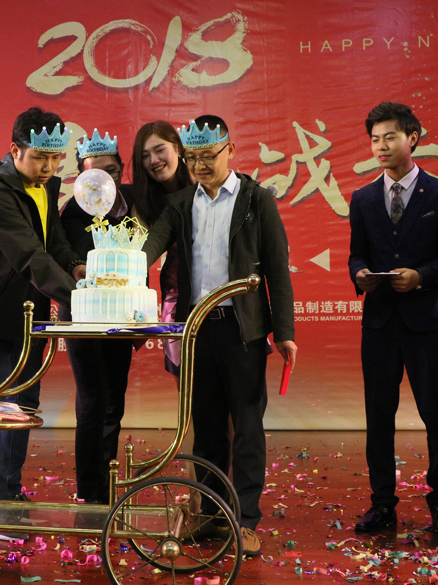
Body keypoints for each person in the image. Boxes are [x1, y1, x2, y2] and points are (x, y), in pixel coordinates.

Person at [142, 115, 297, 557]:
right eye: (192, 158)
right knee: (207, 429)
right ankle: (210, 516)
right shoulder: (180, 203)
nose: (200, 165)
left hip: (242, 329)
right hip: (196, 330)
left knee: (246, 427)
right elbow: (151, 246)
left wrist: (284, 332)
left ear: (230, 150)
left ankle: (245, 521)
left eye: (208, 156)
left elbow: (277, 269)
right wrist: (124, 264)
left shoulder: (256, 200)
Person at [0, 107, 84, 541]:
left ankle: (9, 493)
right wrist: (81, 298)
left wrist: (75, 266)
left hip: (31, 313)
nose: (49, 168)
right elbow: (31, 256)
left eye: (56, 159)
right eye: (40, 158)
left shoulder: (45, 185)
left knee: (22, 409)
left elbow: (53, 241)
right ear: (15, 150)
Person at [348, 101, 438, 534]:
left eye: (389, 137)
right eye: (374, 139)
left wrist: (421, 277)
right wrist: (360, 274)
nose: (380, 146)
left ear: (412, 138)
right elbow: (357, 254)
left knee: (437, 416)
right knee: (378, 417)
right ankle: (382, 505)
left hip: (426, 323)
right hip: (378, 324)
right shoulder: (362, 198)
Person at [59, 129, 134, 505]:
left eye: (112, 170)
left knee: (114, 401)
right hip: (84, 317)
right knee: (92, 399)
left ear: (121, 170)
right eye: (94, 172)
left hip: (122, 316)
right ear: (81, 175)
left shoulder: (131, 203)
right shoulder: (72, 210)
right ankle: (90, 490)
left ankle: (107, 482)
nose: (105, 179)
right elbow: (80, 257)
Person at [131, 121, 194, 378]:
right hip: (176, 295)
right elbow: (137, 253)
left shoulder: (203, 184)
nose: (154, 160)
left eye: (160, 150)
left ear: (178, 147)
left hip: (217, 294)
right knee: (186, 379)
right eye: (145, 156)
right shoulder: (143, 203)